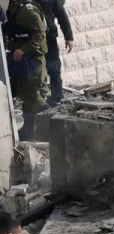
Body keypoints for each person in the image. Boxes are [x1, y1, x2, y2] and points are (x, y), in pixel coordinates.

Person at [7, 0, 47, 140]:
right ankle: (29, 131)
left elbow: (40, 34)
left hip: (31, 60)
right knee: (26, 95)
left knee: (32, 96)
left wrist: (23, 50)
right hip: (24, 61)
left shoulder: (27, 10)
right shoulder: (15, 7)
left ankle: (54, 123)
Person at [33, 0, 67, 104]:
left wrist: (68, 37)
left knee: (54, 67)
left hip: (48, 37)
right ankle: (38, 100)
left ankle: (57, 97)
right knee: (35, 69)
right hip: (31, 40)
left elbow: (61, 15)